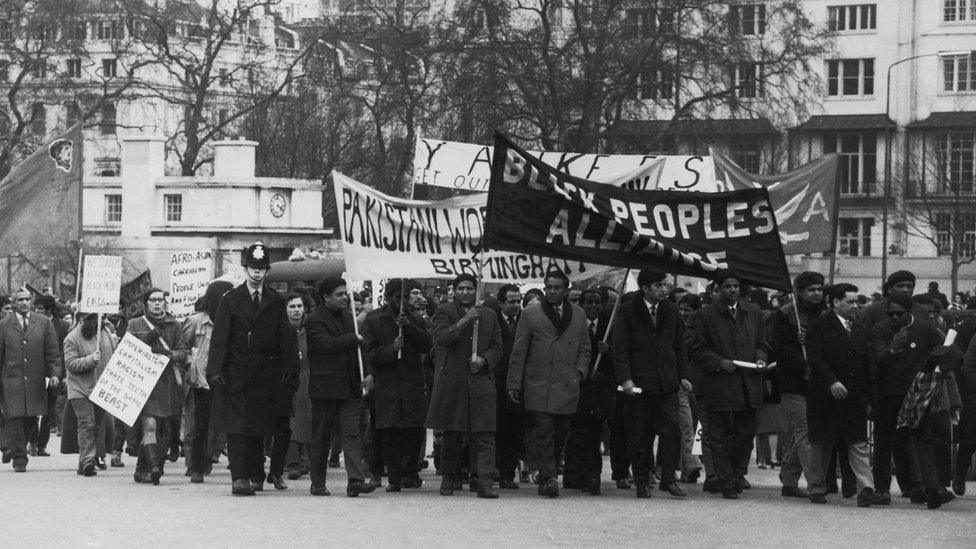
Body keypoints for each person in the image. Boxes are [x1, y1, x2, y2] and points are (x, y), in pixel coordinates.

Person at [207, 243, 299, 496]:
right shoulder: (230, 300)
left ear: (267, 271)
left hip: (265, 374)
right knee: (237, 426)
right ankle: (239, 477)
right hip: (235, 373)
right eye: (253, 268)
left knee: (258, 426)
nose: (257, 273)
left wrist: (288, 368)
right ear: (245, 269)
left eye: (261, 269)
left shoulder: (276, 301)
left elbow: (285, 338)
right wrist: (215, 370)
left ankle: (255, 473)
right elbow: (220, 338)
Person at [507, 269, 590, 498]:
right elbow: (519, 350)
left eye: (557, 287)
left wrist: (580, 372)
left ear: (566, 289)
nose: (552, 291)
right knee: (544, 431)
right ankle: (550, 477)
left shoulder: (579, 314)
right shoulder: (531, 313)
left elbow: (585, 348)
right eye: (548, 287)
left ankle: (546, 474)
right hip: (538, 384)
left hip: (566, 384)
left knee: (560, 432)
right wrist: (514, 384)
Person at [869, 291, 957, 504]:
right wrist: (893, 348)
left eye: (899, 314)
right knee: (883, 441)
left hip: (916, 395)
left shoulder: (925, 328)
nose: (894, 318)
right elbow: (877, 359)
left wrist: (934, 362)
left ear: (909, 312)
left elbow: (949, 348)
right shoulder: (880, 329)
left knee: (923, 439)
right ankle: (882, 489)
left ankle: (932, 489)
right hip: (888, 393)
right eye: (890, 314)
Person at [804, 283, 887, 507]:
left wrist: (869, 398)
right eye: (849, 302)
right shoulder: (817, 327)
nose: (855, 306)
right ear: (834, 302)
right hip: (825, 396)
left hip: (855, 396)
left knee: (858, 442)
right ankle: (817, 487)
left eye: (857, 301)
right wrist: (831, 382)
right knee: (822, 443)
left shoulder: (860, 329)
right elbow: (815, 359)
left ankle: (866, 488)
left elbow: (866, 365)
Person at [688, 270, 768, 499]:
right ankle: (725, 479)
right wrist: (718, 361)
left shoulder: (752, 313)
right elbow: (694, 346)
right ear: (718, 289)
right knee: (718, 434)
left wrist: (760, 358)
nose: (732, 290)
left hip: (747, 383)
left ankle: (735, 472)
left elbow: (762, 343)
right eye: (728, 286)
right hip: (718, 383)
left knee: (745, 433)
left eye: (735, 286)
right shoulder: (705, 315)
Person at [613, 269, 689, 499]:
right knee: (640, 434)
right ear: (645, 288)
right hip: (638, 384)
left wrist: (682, 375)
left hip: (667, 383)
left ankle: (668, 478)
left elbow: (679, 347)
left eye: (665, 285)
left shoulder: (671, 310)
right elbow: (621, 349)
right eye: (659, 285)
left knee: (672, 429)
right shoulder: (627, 310)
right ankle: (642, 480)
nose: (664, 289)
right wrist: (625, 378)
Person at [426, 273, 503, 498]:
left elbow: (498, 347)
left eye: (470, 288)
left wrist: (484, 360)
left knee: (485, 434)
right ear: (454, 290)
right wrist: (465, 320)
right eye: (461, 289)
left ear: (476, 290)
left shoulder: (489, 315)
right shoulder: (444, 311)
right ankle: (449, 479)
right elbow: (441, 337)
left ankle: (484, 481)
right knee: (453, 433)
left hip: (481, 382)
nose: (465, 293)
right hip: (454, 382)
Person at [305, 276, 376, 497]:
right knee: (321, 436)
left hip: (351, 386)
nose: (345, 297)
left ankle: (355, 480)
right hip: (325, 387)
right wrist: (351, 339)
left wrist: (369, 372)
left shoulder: (350, 318)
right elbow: (326, 344)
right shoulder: (314, 320)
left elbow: (361, 348)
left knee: (352, 433)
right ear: (326, 297)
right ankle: (318, 482)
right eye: (339, 294)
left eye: (345, 293)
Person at [361, 278, 431, 492]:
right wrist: (391, 349)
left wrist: (409, 327)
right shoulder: (374, 320)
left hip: (412, 383)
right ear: (388, 297)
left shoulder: (415, 319)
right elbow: (368, 353)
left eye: (404, 297)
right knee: (388, 432)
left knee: (414, 431)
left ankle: (410, 471)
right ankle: (392, 477)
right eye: (397, 297)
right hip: (387, 385)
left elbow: (427, 345)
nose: (401, 302)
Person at [125, 288, 189, 485]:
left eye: (160, 300)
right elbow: (126, 350)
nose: (157, 303)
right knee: (150, 425)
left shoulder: (175, 325)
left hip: (168, 383)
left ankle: (142, 469)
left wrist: (167, 354)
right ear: (146, 303)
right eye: (153, 300)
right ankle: (154, 467)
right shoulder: (135, 324)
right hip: (144, 383)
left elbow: (183, 352)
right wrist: (149, 340)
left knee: (166, 431)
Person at [770, 271, 825, 499]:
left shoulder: (823, 314)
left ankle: (789, 479)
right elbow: (781, 348)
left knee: (804, 433)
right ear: (799, 292)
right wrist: (804, 366)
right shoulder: (785, 314)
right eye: (811, 290)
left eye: (820, 289)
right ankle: (816, 486)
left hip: (818, 383)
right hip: (794, 383)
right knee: (807, 433)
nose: (817, 294)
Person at [0, 289, 62, 471]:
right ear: (13, 303)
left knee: (31, 419)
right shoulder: (3, 325)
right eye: (20, 299)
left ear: (32, 302)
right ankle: (19, 458)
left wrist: (55, 374)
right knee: (15, 418)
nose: (24, 302)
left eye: (27, 299)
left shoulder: (43, 323)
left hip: (35, 380)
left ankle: (17, 446)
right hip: (11, 380)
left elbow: (52, 352)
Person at [563, 288, 617, 496]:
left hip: (601, 390)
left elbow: (621, 355)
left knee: (594, 434)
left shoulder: (609, 326)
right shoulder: (573, 324)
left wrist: (608, 351)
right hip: (579, 387)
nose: (593, 306)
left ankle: (592, 476)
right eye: (589, 302)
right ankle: (573, 475)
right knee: (577, 433)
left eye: (597, 302)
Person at [179, 281, 233, 484]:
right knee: (201, 426)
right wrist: (191, 365)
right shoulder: (195, 321)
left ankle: (217, 460)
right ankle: (197, 467)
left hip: (228, 379)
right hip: (203, 380)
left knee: (226, 426)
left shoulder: (234, 318)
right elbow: (183, 347)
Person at [62, 313, 116, 477]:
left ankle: (83, 461)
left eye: (102, 318)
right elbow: (70, 364)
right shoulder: (71, 338)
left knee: (96, 426)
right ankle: (88, 462)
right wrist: (89, 360)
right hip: (80, 389)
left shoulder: (106, 333)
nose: (100, 322)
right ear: (83, 320)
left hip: (102, 387)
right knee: (87, 424)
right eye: (95, 319)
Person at [493, 283, 524, 489]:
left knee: (514, 430)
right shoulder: (491, 320)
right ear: (501, 302)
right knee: (494, 429)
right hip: (496, 381)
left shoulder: (526, 319)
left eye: (518, 301)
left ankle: (507, 474)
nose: (516, 305)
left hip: (519, 383)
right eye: (511, 302)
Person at [677, 293, 707, 486]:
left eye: (687, 310)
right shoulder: (674, 327)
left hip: (698, 384)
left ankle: (688, 468)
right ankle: (692, 464)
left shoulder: (701, 329)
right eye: (681, 309)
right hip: (680, 384)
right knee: (686, 426)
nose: (683, 313)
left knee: (698, 428)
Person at [284, 292, 312, 482]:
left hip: (307, 378)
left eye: (299, 306)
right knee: (290, 421)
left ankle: (305, 459)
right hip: (286, 379)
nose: (296, 311)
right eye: (292, 307)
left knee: (306, 420)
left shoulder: (311, 330)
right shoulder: (280, 329)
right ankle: (292, 462)